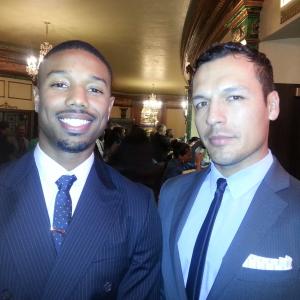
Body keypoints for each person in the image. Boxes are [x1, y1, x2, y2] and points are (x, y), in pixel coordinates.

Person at [0, 40, 162, 299]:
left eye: (95, 89)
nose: (78, 99)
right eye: (60, 84)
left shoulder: (139, 206)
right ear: (37, 98)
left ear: (109, 109)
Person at [159, 42, 300, 300]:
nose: (213, 117)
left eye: (234, 97)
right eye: (201, 102)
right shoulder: (171, 194)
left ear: (272, 106)